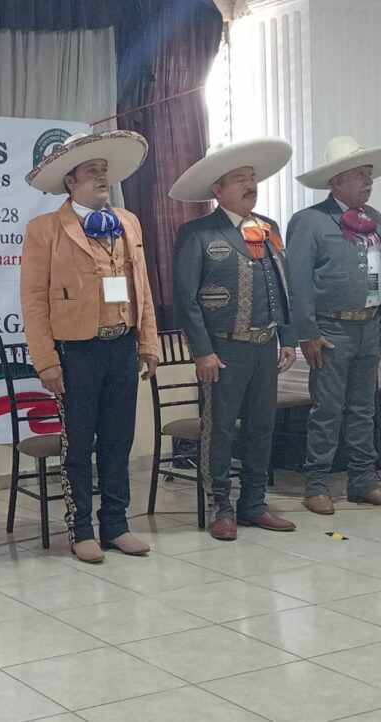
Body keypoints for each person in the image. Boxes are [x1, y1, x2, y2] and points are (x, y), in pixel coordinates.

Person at [20, 130, 158, 564]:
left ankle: (115, 523)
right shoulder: (45, 229)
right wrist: (45, 360)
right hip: (76, 351)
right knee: (78, 443)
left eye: (104, 170)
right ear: (70, 181)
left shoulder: (128, 221)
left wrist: (148, 342)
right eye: (92, 171)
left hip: (122, 345)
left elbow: (142, 287)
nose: (102, 177)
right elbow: (33, 299)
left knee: (119, 439)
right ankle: (80, 527)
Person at [170, 138, 298, 540]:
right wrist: (202, 351)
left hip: (265, 345)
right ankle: (220, 507)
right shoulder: (197, 233)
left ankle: (254, 503)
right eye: (240, 179)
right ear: (218, 189)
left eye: (252, 177)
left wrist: (288, 337)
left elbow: (283, 286)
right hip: (222, 349)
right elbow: (185, 299)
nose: (250, 184)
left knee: (262, 427)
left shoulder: (268, 228)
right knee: (220, 429)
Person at [287, 136, 381, 514]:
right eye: (360, 174)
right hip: (330, 330)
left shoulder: (374, 220)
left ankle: (362, 480)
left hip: (369, 326)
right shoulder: (309, 221)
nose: (369, 180)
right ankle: (316, 484)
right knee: (327, 409)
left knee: (364, 408)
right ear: (337, 181)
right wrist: (307, 333)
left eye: (369, 174)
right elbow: (298, 283)